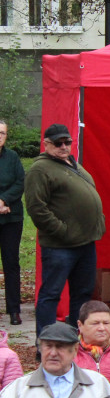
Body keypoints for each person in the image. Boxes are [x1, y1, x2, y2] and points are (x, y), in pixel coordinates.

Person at [24, 123, 105, 336]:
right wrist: (62, 230)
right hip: (60, 246)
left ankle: (73, 339)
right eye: (57, 143)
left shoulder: (71, 163)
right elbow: (36, 207)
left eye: (66, 142)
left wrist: (98, 219)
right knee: (51, 294)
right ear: (46, 144)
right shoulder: (40, 169)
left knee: (83, 293)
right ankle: (46, 341)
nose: (63, 146)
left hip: (85, 242)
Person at [0, 118, 24, 325]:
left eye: (2, 133)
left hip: (11, 217)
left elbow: (20, 182)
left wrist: (4, 200)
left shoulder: (13, 157)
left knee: (11, 263)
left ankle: (14, 310)